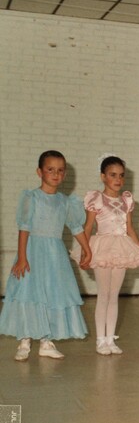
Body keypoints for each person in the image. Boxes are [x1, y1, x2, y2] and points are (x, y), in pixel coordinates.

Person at [0, 150, 92, 361]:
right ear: (39, 172)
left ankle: (46, 341)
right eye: (50, 170)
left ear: (65, 174)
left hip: (55, 255)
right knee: (29, 293)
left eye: (60, 170)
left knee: (52, 294)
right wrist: (22, 257)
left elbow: (76, 227)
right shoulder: (31, 197)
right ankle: (25, 340)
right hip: (32, 252)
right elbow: (24, 228)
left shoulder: (65, 201)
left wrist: (86, 249)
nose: (55, 174)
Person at [74, 155, 139, 355]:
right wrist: (85, 251)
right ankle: (100, 339)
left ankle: (110, 338)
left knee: (114, 295)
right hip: (102, 248)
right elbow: (88, 227)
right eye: (113, 175)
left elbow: (129, 228)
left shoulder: (126, 200)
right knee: (103, 294)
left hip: (121, 247)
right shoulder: (96, 199)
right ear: (103, 176)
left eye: (121, 175)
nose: (118, 179)